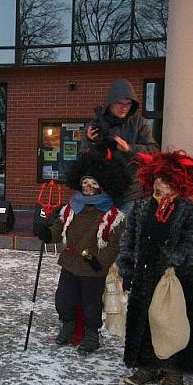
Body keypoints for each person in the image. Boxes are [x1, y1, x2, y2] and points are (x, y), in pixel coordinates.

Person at [117, 150, 193, 385]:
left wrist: (174, 257)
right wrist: (126, 267)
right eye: (159, 178)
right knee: (145, 322)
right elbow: (129, 240)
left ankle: (173, 373)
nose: (162, 183)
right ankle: (148, 366)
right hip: (145, 277)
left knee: (172, 324)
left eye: (169, 179)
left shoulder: (192, 213)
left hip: (176, 281)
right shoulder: (141, 208)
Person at [33, 148, 129, 354]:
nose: (88, 187)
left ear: (102, 186)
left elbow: (114, 244)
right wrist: (47, 234)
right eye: (85, 183)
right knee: (64, 299)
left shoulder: (112, 215)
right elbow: (59, 230)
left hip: (93, 266)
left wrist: (100, 262)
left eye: (93, 184)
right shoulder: (71, 207)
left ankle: (92, 336)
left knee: (90, 305)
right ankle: (67, 327)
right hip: (70, 262)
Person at [80, 79, 158, 214]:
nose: (124, 108)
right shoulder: (95, 125)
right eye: (120, 103)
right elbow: (82, 160)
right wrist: (91, 142)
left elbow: (154, 153)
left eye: (128, 104)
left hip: (132, 191)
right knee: (102, 232)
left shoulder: (139, 123)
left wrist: (129, 148)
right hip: (102, 192)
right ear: (110, 103)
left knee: (126, 232)